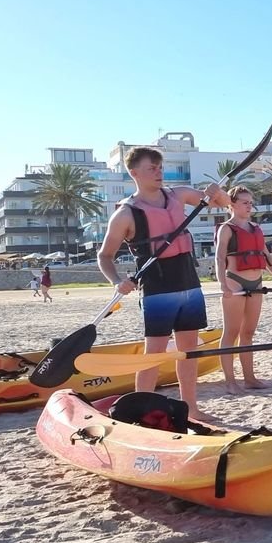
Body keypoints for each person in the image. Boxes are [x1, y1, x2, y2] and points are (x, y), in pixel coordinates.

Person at [98, 145, 229, 424]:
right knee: (153, 355)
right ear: (134, 173)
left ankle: (190, 408)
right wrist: (117, 280)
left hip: (188, 281)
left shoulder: (178, 194)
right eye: (151, 168)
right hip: (157, 287)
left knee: (188, 352)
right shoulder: (126, 214)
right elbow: (105, 256)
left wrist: (216, 192)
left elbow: (222, 203)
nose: (158, 173)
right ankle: (139, 412)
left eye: (159, 167)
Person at [214, 186, 272, 394]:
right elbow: (220, 258)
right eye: (244, 202)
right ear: (232, 204)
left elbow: (266, 256)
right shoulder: (227, 228)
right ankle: (230, 381)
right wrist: (222, 284)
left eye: (251, 202)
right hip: (234, 282)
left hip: (256, 282)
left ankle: (250, 378)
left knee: (248, 332)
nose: (249, 206)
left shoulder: (256, 228)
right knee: (231, 332)